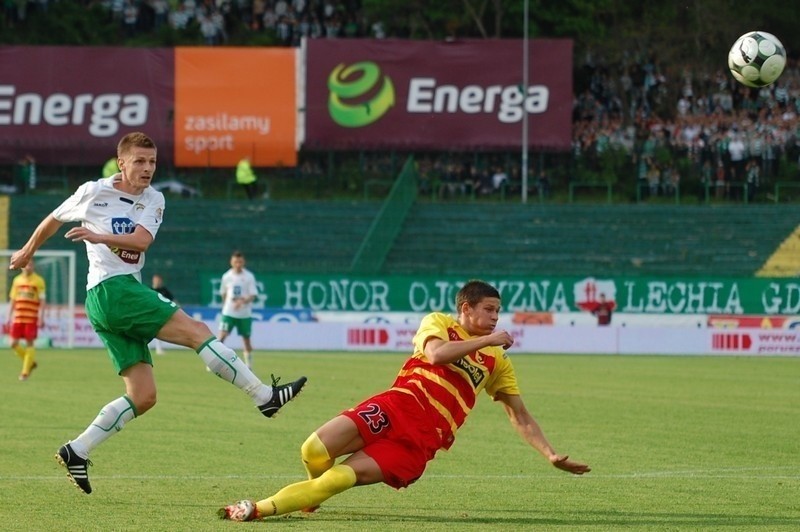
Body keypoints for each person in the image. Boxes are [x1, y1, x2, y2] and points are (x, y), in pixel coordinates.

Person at [9, 132, 306, 496]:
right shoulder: (94, 191)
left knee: (144, 395)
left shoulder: (154, 199)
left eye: (152, 162)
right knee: (197, 331)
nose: (147, 169)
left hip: (116, 294)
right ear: (122, 162)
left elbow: (141, 240)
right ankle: (263, 396)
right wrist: (26, 251)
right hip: (112, 290)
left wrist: (99, 237)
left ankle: (77, 450)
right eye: (139, 161)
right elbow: (53, 220)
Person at [218, 280, 590, 522]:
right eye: (489, 309)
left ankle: (257, 509)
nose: (495, 317)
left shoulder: (498, 363)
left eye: (497, 311)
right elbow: (436, 356)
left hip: (419, 440)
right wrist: (486, 341)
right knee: (314, 449)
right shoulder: (441, 323)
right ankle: (310, 495)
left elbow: (519, 415)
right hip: (396, 405)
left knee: (337, 478)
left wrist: (550, 454)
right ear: (466, 308)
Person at [6, 259, 46, 381]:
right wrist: (9, 316)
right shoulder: (17, 280)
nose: (29, 267)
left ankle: (25, 372)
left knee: (30, 342)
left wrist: (41, 317)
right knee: (13, 343)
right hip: (18, 316)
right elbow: (13, 299)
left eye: (31, 265)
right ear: (22, 266)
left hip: (31, 317)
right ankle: (30, 362)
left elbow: (42, 301)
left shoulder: (38, 281)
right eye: (27, 265)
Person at [218, 251, 258, 369]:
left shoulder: (249, 276)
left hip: (244, 314)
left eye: (240, 262)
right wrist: (226, 306)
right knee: (222, 336)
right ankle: (214, 362)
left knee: (246, 339)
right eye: (236, 262)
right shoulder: (227, 276)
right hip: (229, 312)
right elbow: (224, 293)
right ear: (231, 262)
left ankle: (249, 365)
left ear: (243, 262)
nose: (238, 264)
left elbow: (253, 294)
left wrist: (242, 301)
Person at [150, 273, 174, 355]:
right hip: (150, 313)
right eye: (156, 280)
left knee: (158, 330)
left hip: (160, 313)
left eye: (159, 280)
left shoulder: (164, 290)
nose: (157, 282)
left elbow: (172, 300)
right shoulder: (149, 290)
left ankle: (158, 348)